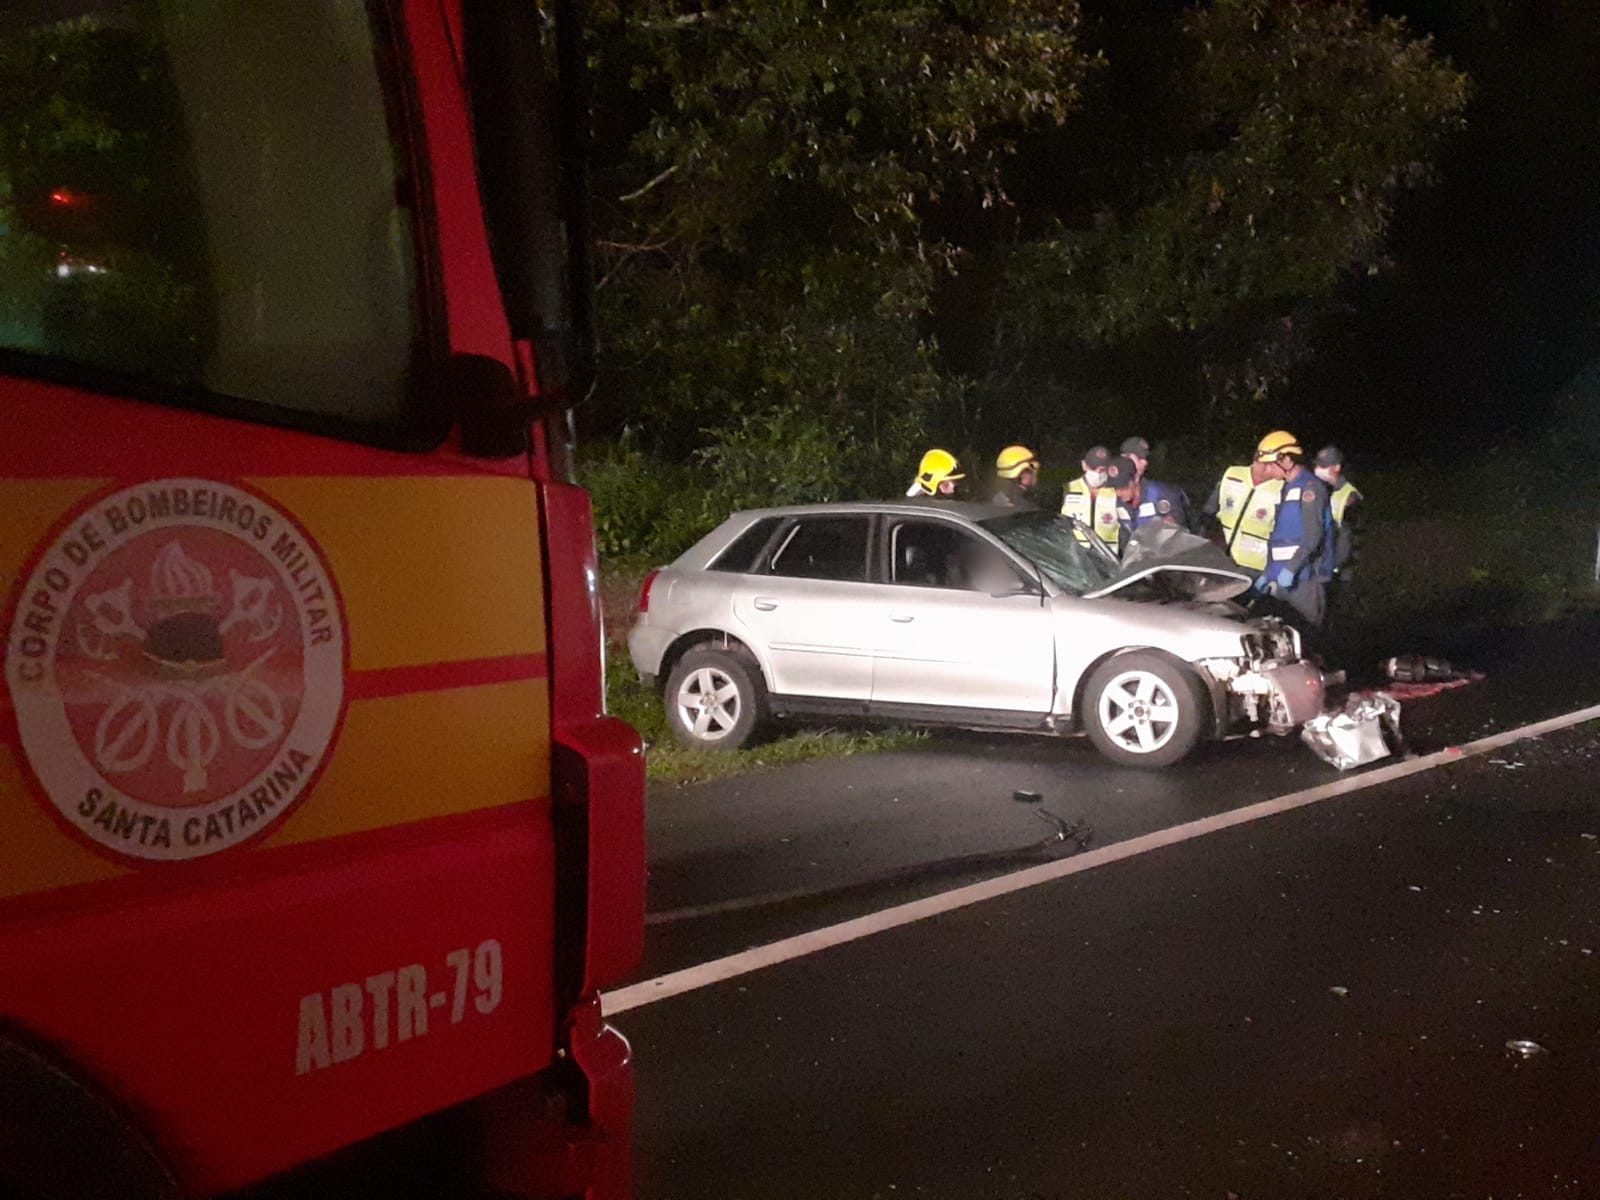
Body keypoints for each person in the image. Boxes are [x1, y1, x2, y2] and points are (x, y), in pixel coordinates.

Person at [1254, 434, 1335, 628]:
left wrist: (1290, 569)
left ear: (1287, 459)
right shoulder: (1287, 488)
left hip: (1305, 579)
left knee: (1306, 635)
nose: (1268, 469)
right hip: (1284, 580)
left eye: (1271, 464)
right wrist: (1269, 573)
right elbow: (1282, 536)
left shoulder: (1310, 488)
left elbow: (1312, 535)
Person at [1203, 431, 1290, 572]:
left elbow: (1287, 534)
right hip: (1221, 560)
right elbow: (1207, 514)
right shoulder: (1231, 474)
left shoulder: (1283, 489)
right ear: (1268, 464)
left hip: (1257, 568)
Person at [1112, 456, 1186, 552]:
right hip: (1135, 559)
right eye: (1115, 488)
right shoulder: (1117, 503)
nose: (1118, 493)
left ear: (1135, 479)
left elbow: (1179, 528)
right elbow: (1123, 536)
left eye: (1123, 487)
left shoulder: (1162, 494)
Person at [1060, 445, 1123, 550]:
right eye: (1093, 467)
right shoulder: (1067, 489)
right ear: (1084, 465)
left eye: (1102, 469)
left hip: (1109, 554)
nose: (1098, 472)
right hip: (1074, 553)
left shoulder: (1117, 491)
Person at [1313, 445, 1362, 576]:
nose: (1318, 470)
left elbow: (1349, 537)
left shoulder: (1350, 497)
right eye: (1317, 465)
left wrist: (1334, 565)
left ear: (1337, 467)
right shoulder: (1319, 489)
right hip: (1320, 562)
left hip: (1340, 568)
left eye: (1324, 467)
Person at [989, 444, 1041, 509]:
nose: (1036, 474)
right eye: (1033, 471)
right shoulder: (1027, 509)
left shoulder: (992, 499)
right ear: (1023, 475)